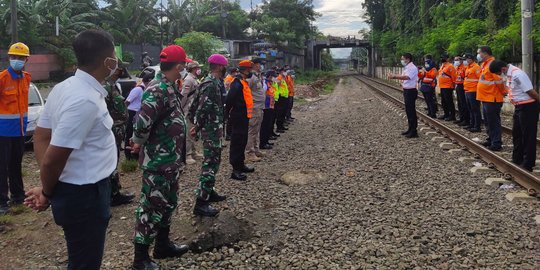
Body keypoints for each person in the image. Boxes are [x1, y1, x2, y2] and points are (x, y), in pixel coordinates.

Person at [24, 29, 118, 269]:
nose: (116, 63)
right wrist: (47, 191)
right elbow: (53, 158)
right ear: (108, 61)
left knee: (81, 258)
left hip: (79, 192)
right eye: (114, 58)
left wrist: (51, 188)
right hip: (85, 196)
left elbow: (41, 137)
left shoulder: (65, 88)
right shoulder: (83, 99)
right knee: (84, 263)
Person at [130, 45, 190, 269]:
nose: (184, 68)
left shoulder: (170, 87)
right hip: (157, 162)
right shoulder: (157, 89)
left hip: (170, 161)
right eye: (183, 65)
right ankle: (140, 259)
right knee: (150, 207)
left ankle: (162, 245)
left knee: (168, 203)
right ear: (179, 66)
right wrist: (137, 142)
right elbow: (143, 122)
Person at [188, 54, 229, 217]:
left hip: (215, 129)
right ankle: (201, 203)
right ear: (219, 67)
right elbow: (202, 107)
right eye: (224, 66)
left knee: (215, 162)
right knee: (209, 164)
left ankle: (209, 191)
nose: (225, 69)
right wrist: (196, 127)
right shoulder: (210, 84)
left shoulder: (216, 82)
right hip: (210, 131)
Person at [490, 60, 540, 171]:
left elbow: (530, 91)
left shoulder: (518, 75)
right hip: (519, 107)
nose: (499, 75)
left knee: (528, 135)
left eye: (499, 73)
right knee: (517, 133)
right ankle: (517, 158)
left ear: (502, 69)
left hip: (528, 107)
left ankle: (528, 163)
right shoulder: (510, 75)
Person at [0, 42, 31, 215]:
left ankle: (18, 195)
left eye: (20, 58)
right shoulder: (2, 78)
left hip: (19, 131)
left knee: (15, 164)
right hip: (2, 132)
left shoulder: (26, 78)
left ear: (26, 59)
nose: (17, 60)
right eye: (14, 57)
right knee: (1, 167)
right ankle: (2, 201)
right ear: (9, 58)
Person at [105, 60, 135, 206]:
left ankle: (113, 192)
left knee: (113, 161)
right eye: (121, 71)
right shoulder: (106, 86)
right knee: (111, 162)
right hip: (111, 131)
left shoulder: (112, 85)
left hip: (116, 131)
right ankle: (112, 195)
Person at [226, 60, 256, 181]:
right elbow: (229, 100)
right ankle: (235, 169)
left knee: (242, 141)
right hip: (238, 117)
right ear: (244, 70)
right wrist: (227, 116)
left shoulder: (243, 82)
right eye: (249, 70)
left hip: (244, 117)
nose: (251, 72)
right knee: (237, 142)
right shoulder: (237, 83)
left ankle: (241, 164)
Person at [476, 45, 505, 151]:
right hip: (486, 97)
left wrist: (503, 92)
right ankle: (491, 139)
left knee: (493, 122)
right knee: (488, 121)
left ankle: (496, 143)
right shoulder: (485, 64)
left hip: (492, 98)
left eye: (479, 53)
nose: (478, 55)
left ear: (485, 53)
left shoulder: (493, 64)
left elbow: (499, 81)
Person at [388, 53, 419, 138]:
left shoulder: (412, 68)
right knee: (408, 111)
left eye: (403, 59)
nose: (402, 61)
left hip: (411, 91)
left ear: (408, 59)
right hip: (407, 90)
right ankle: (410, 128)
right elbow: (404, 78)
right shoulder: (407, 67)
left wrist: (394, 76)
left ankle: (414, 131)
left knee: (411, 111)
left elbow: (407, 77)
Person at [125, 73, 152, 160]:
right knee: (129, 133)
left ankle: (136, 154)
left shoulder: (146, 90)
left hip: (139, 113)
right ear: (148, 81)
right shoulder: (138, 89)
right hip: (132, 112)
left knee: (136, 133)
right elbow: (127, 101)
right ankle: (128, 155)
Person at [181, 61, 203, 165]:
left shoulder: (194, 79)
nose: (199, 69)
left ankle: (193, 152)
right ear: (194, 69)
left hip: (194, 109)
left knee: (193, 131)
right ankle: (187, 154)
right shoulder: (188, 80)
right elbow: (184, 95)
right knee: (189, 132)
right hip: (188, 109)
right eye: (198, 68)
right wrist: (181, 108)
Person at [246, 58, 266, 162]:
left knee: (257, 130)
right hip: (254, 107)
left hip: (259, 107)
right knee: (252, 131)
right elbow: (246, 91)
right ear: (254, 65)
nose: (260, 66)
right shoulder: (251, 78)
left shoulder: (257, 76)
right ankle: (250, 152)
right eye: (259, 64)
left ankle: (256, 149)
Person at [462, 53, 482, 133]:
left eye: (466, 59)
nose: (465, 61)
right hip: (467, 90)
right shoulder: (468, 67)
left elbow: (480, 79)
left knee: (475, 109)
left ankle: (477, 126)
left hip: (473, 91)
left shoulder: (476, 67)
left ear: (470, 59)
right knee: (470, 109)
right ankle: (472, 124)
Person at [260, 71, 279, 150]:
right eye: (273, 76)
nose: (274, 78)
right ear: (270, 76)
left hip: (270, 106)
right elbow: (262, 94)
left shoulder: (270, 84)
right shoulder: (265, 83)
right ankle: (263, 143)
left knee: (269, 124)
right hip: (266, 107)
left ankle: (266, 141)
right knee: (265, 125)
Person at [438, 53, 457, 121]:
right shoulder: (442, 66)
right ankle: (446, 114)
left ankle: (452, 115)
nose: (442, 59)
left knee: (449, 101)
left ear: (447, 58)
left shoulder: (450, 66)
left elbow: (454, 76)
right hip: (442, 86)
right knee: (443, 101)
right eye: (441, 57)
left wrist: (454, 85)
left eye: (443, 57)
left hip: (448, 86)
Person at [453, 56, 469, 126]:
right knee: (459, 103)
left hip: (463, 86)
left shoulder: (464, 68)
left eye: (457, 60)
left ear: (461, 60)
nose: (456, 61)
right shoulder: (457, 68)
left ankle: (466, 119)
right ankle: (461, 118)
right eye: (455, 60)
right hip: (458, 86)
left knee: (463, 103)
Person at [275, 68, 289, 133]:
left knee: (283, 112)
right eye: (284, 71)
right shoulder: (279, 78)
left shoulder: (283, 78)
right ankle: (279, 127)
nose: (285, 72)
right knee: (280, 112)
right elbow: (276, 87)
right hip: (281, 97)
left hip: (284, 97)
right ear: (281, 72)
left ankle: (281, 125)